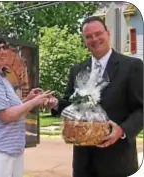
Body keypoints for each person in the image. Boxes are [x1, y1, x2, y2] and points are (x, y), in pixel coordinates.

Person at [46, 16, 143, 177]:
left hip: (117, 161)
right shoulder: (77, 70)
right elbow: (71, 106)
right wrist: (55, 103)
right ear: (84, 40)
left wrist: (122, 130)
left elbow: (141, 109)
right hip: (83, 162)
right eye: (89, 36)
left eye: (98, 34)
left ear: (108, 33)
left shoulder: (132, 66)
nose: (94, 39)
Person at [0, 34, 53, 177]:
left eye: (4, 47)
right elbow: (6, 115)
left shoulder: (0, 76)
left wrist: (28, 99)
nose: (2, 51)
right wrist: (34, 102)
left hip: (10, 151)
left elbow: (8, 110)